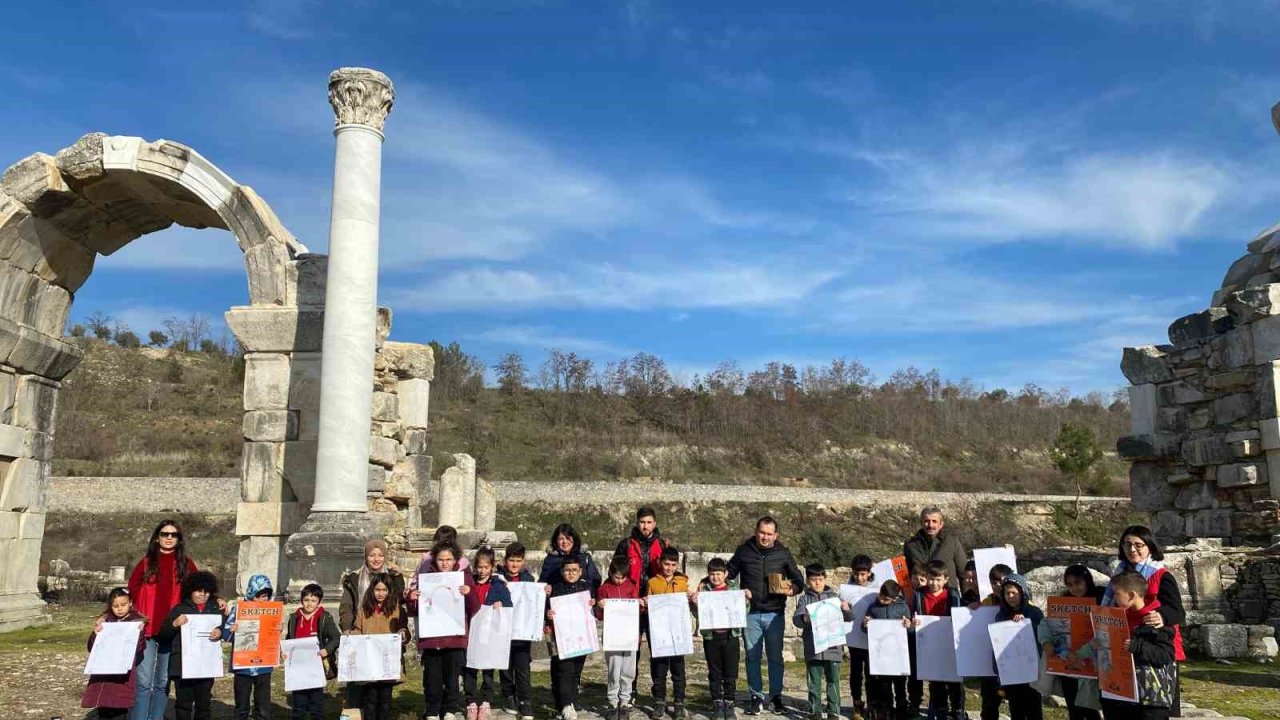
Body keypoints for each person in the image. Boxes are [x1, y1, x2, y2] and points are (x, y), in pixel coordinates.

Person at [1102, 526, 1185, 717]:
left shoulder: (1161, 575)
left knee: (1152, 708)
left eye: (1138, 545)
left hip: (1155, 645)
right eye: (1127, 544)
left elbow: (1177, 611)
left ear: (1150, 547)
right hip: (1124, 645)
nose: (1132, 550)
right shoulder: (1119, 575)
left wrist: (1162, 615)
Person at [726, 516, 804, 716]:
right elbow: (728, 575)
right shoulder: (744, 551)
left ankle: (776, 697)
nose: (765, 537)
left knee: (775, 658)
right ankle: (756, 697)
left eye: (769, 534)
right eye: (762, 532)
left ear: (776, 535)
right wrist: (736, 589)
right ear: (756, 531)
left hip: (775, 614)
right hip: (750, 614)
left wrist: (791, 590)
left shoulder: (783, 553)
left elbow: (798, 580)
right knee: (752, 657)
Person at [126, 519, 201, 720]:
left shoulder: (187, 564)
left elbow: (200, 590)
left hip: (174, 631)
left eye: (173, 535)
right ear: (157, 538)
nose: (169, 538)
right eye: (165, 534)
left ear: (179, 539)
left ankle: (156, 717)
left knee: (162, 682)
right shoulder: (145, 563)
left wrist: (218, 599)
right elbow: (129, 593)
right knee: (143, 681)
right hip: (148, 630)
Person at [1101, 571, 1177, 720]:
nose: (1114, 598)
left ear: (1131, 595)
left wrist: (1138, 647)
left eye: (1117, 594)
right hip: (1120, 693)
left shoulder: (1155, 619)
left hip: (1150, 697)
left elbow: (1166, 654)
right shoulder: (1117, 616)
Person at [414, 541, 474, 720]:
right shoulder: (425, 576)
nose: (445, 563)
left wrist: (469, 592)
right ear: (435, 560)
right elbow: (414, 608)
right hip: (432, 638)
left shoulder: (463, 577)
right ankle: (432, 710)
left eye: (449, 559)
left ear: (455, 560)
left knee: (452, 677)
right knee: (432, 677)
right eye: (441, 559)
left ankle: (450, 709)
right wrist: (413, 598)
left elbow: (474, 607)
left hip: (454, 637)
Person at [157, 570, 227, 720]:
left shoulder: (216, 609)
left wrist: (220, 631)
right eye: (198, 591)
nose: (203, 595)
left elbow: (228, 628)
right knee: (183, 704)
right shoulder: (179, 609)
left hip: (206, 666)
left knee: (204, 704)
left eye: (207, 592)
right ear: (190, 590)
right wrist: (175, 623)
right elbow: (163, 635)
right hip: (183, 666)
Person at [692, 557, 749, 720]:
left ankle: (729, 703)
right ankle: (717, 702)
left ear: (725, 574)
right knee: (714, 671)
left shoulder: (734, 589)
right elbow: (698, 615)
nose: (715, 577)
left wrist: (746, 601)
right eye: (712, 574)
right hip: (711, 637)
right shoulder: (704, 591)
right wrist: (695, 604)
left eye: (718, 574)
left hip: (731, 636)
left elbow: (745, 610)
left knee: (731, 672)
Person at [794, 563, 853, 720]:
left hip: (833, 647)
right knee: (814, 682)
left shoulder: (834, 597)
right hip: (813, 648)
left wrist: (846, 608)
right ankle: (815, 710)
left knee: (833, 680)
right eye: (813, 579)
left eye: (820, 579)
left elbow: (849, 618)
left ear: (825, 579)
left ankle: (833, 711)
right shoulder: (804, 599)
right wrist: (804, 617)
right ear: (808, 581)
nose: (817, 583)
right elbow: (796, 620)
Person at [351, 573, 411, 720]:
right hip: (369, 662)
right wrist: (352, 636)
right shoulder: (364, 610)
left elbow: (404, 629)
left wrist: (403, 634)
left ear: (389, 591)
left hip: (387, 663)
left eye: (384, 590)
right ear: (372, 590)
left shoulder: (397, 610)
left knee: (385, 699)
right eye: (377, 590)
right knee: (370, 699)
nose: (380, 593)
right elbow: (357, 629)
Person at [1048, 565, 1103, 720]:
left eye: (1078, 583)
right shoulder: (1064, 601)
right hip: (1069, 662)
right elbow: (1053, 629)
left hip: (1092, 663)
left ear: (1087, 581)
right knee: (1074, 708)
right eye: (1070, 584)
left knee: (1090, 707)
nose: (1074, 588)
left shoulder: (1100, 598)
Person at [83, 587, 147, 719]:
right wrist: (95, 634)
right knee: (104, 707)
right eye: (115, 606)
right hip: (103, 673)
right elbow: (91, 647)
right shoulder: (105, 621)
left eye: (123, 605)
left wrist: (139, 633)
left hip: (122, 675)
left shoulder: (135, 622)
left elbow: (139, 648)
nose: (120, 609)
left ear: (130, 603)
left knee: (119, 708)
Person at [911, 561, 964, 720]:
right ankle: (940, 708)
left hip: (948, 640)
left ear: (946, 580)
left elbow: (958, 615)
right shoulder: (919, 594)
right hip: (929, 640)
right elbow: (915, 613)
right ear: (926, 578)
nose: (934, 583)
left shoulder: (953, 594)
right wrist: (915, 621)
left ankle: (958, 708)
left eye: (938, 579)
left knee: (954, 677)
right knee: (935, 677)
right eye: (931, 579)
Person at [465, 547, 513, 720]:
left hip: (489, 634)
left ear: (492, 567)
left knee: (487, 668)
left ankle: (486, 701)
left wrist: (502, 604)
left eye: (486, 567)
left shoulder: (499, 586)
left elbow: (509, 606)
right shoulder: (469, 584)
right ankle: (470, 701)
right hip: (471, 632)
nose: (482, 570)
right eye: (479, 567)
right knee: (469, 667)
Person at [547, 555, 596, 720]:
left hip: (582, 637)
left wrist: (594, 604)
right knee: (565, 670)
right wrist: (549, 614)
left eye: (574, 570)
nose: (571, 573)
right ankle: (566, 704)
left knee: (576, 671)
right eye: (567, 570)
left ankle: (571, 701)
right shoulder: (555, 588)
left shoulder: (587, 588)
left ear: (581, 571)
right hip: (563, 638)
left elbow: (595, 608)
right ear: (562, 572)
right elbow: (547, 610)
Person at [284, 583, 341, 720]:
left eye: (313, 600)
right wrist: (285, 651)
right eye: (306, 600)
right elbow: (289, 639)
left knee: (316, 706)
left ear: (319, 602)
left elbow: (336, 637)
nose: (309, 604)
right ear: (301, 600)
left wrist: (326, 650)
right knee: (298, 706)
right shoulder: (294, 618)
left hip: (317, 667)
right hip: (298, 667)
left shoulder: (324, 618)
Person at [221, 574, 274, 720]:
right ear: (251, 593)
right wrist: (232, 629)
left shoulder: (271, 611)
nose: (262, 600)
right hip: (242, 666)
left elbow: (273, 637)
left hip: (264, 665)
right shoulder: (238, 610)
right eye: (259, 596)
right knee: (242, 705)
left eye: (265, 596)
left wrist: (277, 628)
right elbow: (225, 634)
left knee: (263, 706)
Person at [647, 547, 690, 720]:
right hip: (659, 633)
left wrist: (691, 597)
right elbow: (648, 606)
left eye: (673, 565)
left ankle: (679, 702)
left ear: (677, 565)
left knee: (678, 669)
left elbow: (688, 602)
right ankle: (659, 702)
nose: (669, 568)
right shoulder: (652, 583)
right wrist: (645, 603)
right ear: (660, 563)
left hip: (678, 632)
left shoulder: (682, 582)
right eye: (666, 564)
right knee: (659, 669)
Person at [993, 574, 1044, 720]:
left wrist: (1026, 624)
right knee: (1016, 709)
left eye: (1014, 593)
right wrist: (998, 670)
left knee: (1034, 709)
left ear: (1022, 592)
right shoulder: (1001, 615)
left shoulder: (1034, 612)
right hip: (1011, 671)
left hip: (1032, 672)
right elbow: (997, 642)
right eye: (1007, 593)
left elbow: (1043, 635)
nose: (1010, 596)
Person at [597, 556, 641, 720]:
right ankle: (612, 701)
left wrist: (640, 604)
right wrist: (600, 607)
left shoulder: (631, 586)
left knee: (628, 670)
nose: (620, 580)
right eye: (617, 577)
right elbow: (599, 615)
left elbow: (636, 610)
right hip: (613, 635)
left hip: (629, 634)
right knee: (614, 668)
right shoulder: (604, 588)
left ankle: (625, 700)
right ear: (610, 573)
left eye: (623, 577)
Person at [498, 542, 536, 720]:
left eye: (518, 561)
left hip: (522, 631)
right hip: (502, 630)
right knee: (505, 666)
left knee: (522, 667)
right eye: (511, 560)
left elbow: (534, 601)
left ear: (523, 562)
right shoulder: (497, 578)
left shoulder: (528, 579)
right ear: (505, 561)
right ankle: (508, 696)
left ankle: (525, 700)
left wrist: (543, 592)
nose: (514, 565)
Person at [863, 580, 910, 720]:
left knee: (901, 684)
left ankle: (902, 708)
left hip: (898, 654)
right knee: (885, 685)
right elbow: (865, 630)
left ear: (895, 598)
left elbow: (910, 629)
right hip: (882, 655)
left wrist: (909, 625)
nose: (882, 600)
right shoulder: (873, 608)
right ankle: (887, 709)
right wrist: (865, 625)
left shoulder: (902, 607)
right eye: (881, 596)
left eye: (886, 599)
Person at [973, 562, 1013, 720]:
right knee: (989, 703)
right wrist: (973, 609)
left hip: (1012, 662)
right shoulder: (986, 603)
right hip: (990, 664)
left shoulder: (1018, 602)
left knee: (1017, 703)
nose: (997, 585)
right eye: (993, 582)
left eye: (1001, 581)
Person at [341, 538, 406, 632]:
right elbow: (346, 605)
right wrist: (346, 628)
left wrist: (397, 576)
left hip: (388, 629)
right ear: (366, 557)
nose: (376, 559)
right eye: (372, 555)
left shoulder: (392, 576)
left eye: (381, 555)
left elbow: (400, 600)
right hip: (362, 628)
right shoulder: (354, 578)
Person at [902, 507, 966, 592]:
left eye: (934, 521)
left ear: (941, 524)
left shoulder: (952, 542)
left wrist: (967, 599)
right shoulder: (910, 545)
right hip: (921, 598)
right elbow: (906, 576)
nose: (930, 525)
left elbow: (963, 574)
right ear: (921, 523)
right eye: (926, 521)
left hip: (948, 597)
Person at [845, 555, 874, 720]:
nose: (859, 577)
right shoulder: (847, 588)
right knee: (855, 673)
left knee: (871, 674)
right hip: (853, 638)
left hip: (871, 639)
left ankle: (871, 705)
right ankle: (857, 705)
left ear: (869, 573)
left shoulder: (876, 587)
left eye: (863, 574)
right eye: (856, 574)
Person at [540, 523, 602, 591]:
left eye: (568, 538)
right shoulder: (550, 560)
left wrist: (586, 588)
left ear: (574, 539)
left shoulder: (584, 557)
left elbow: (595, 580)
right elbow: (543, 582)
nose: (565, 542)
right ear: (556, 541)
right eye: (561, 539)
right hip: (558, 598)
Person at [904, 564, 929, 717]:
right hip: (911, 637)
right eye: (915, 578)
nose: (918, 582)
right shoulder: (905, 592)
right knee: (913, 673)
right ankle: (914, 701)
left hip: (927, 636)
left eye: (922, 579)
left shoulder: (926, 595)